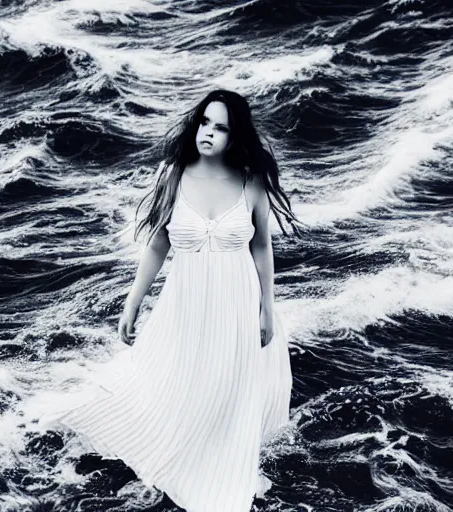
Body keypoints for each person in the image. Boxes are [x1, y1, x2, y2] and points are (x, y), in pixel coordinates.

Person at [44, 89, 303, 512]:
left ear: (234, 136)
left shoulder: (250, 182)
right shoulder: (175, 176)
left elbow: (262, 248)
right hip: (186, 307)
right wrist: (133, 302)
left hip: (237, 305)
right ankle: (180, 455)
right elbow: (158, 246)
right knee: (184, 388)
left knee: (227, 393)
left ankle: (218, 470)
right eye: (205, 122)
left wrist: (267, 307)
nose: (209, 133)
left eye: (220, 128)